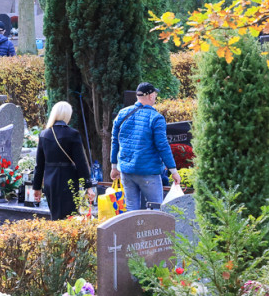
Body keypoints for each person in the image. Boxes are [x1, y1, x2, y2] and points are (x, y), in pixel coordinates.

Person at [109, 82, 180, 211]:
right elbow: (162, 146)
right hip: (149, 172)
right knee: (156, 210)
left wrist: (114, 166)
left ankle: (132, 232)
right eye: (155, 95)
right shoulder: (156, 118)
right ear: (151, 96)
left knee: (131, 210)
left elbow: (115, 140)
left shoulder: (122, 113)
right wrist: (173, 170)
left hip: (127, 171)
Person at [33, 101, 95, 220]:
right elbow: (81, 162)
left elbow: (39, 165)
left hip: (50, 181)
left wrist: (37, 187)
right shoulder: (73, 134)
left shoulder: (44, 134)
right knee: (70, 216)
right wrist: (88, 186)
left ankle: (56, 236)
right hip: (69, 179)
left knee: (55, 216)